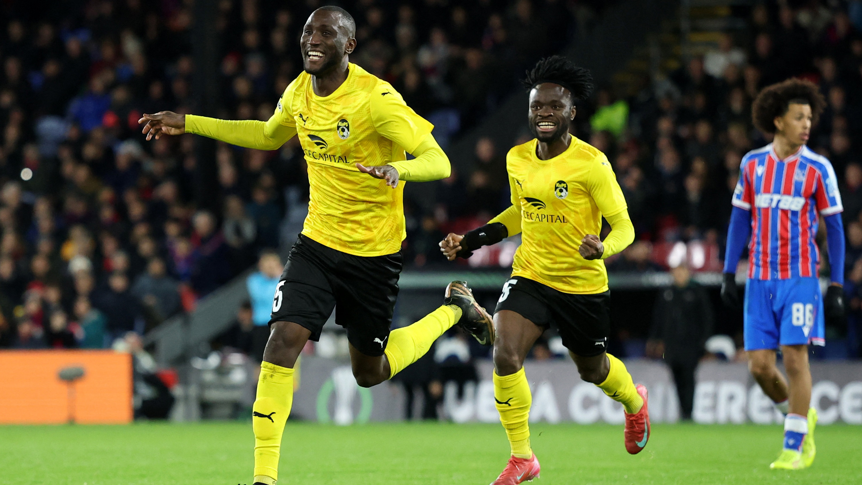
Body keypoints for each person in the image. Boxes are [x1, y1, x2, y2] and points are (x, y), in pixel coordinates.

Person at [139, 7, 493, 485]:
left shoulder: (377, 98)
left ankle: (453, 308)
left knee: (371, 371)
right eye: (307, 30)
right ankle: (265, 477)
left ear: (349, 45)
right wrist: (191, 123)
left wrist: (399, 170)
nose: (312, 38)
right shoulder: (300, 91)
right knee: (282, 340)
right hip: (317, 245)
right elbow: (267, 135)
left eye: (326, 32)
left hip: (374, 254)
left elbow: (440, 161)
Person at [440, 56, 648, 485]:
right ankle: (522, 458)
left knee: (592, 370)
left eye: (554, 107)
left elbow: (625, 226)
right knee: (505, 351)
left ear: (572, 113)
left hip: (581, 284)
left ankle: (634, 403)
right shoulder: (517, 158)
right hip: (531, 274)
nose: (544, 114)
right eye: (538, 107)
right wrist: (471, 240)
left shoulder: (593, 163)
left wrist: (603, 248)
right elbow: (520, 212)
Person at [721, 78, 845, 470]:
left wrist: (837, 281)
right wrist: (728, 271)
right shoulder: (752, 164)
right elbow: (739, 219)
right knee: (759, 366)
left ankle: (794, 447)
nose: (806, 124)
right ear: (778, 121)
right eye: (798, 117)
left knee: (794, 358)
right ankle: (799, 415)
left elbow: (836, 229)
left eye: (809, 117)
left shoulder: (818, 168)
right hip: (759, 279)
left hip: (801, 278)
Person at [648, 264, 714, 421]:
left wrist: (704, 340)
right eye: (676, 272)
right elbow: (658, 318)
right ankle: (682, 411)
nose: (679, 275)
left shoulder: (696, 291)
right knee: (676, 378)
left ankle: (688, 413)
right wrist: (655, 339)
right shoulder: (667, 292)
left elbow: (706, 318)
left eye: (682, 272)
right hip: (671, 345)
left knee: (689, 378)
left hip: (691, 345)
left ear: (688, 273)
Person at [246, 250, 284, 363]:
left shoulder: (285, 279)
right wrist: (278, 278)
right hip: (262, 324)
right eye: (268, 265)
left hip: (280, 324)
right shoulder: (254, 280)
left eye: (273, 265)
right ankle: (257, 381)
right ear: (261, 266)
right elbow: (265, 297)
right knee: (260, 360)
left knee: (281, 360)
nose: (270, 268)